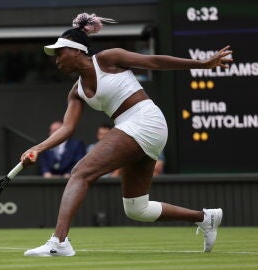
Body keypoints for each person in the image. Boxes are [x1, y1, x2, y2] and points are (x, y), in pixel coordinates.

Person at [20, 13, 232, 256]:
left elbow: (154, 62)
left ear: (77, 50)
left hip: (145, 119)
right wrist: (37, 149)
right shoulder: (75, 92)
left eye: (60, 53)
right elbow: (67, 129)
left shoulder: (108, 58)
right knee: (136, 209)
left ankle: (59, 242)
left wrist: (202, 64)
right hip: (135, 128)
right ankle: (205, 217)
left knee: (80, 172)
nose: (56, 60)